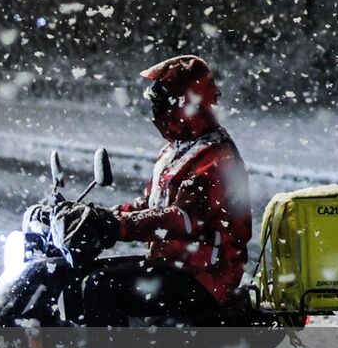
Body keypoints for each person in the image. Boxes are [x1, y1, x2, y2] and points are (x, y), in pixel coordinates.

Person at [67, 55, 252, 326]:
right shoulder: (179, 149)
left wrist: (118, 227)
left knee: (101, 286)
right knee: (81, 274)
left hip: (206, 275)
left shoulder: (216, 156)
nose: (155, 109)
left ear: (183, 104)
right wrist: (101, 216)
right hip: (175, 265)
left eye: (160, 101)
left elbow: (184, 219)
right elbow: (150, 205)